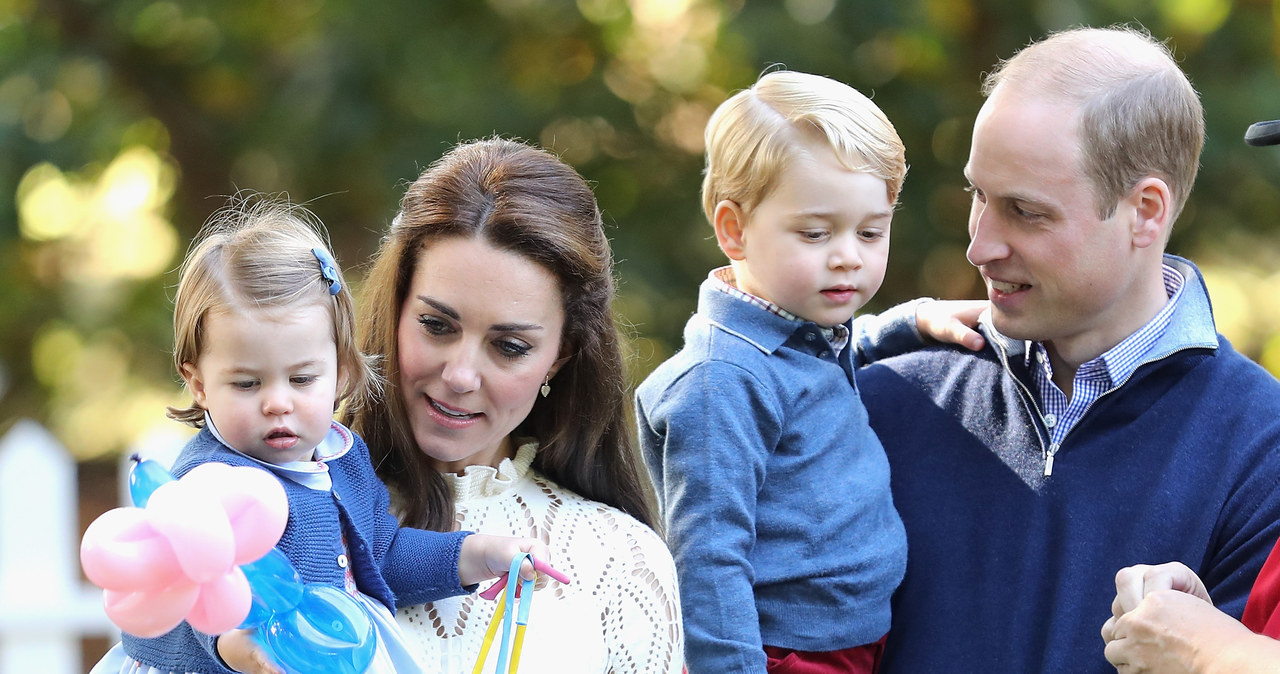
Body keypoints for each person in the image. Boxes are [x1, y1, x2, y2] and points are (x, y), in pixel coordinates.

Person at [854, 26, 1280, 673]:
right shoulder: (883, 399)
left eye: (1026, 211)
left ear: (1145, 211)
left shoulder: (1261, 446)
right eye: (979, 195)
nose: (980, 247)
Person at [92, 198, 552, 674]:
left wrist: (478, 554)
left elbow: (384, 553)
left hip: (332, 645)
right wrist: (235, 648)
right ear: (200, 383)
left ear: (341, 373)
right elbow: (194, 587)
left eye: (302, 379)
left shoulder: (342, 458)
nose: (278, 402)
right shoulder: (209, 481)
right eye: (247, 383)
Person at [634, 70, 984, 674]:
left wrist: (912, 321)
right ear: (733, 230)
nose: (849, 254)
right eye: (816, 232)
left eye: (871, 231)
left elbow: (831, 355)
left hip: (855, 639)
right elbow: (709, 557)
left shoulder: (798, 335)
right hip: (784, 654)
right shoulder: (722, 383)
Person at [342, 137, 684, 673]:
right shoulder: (295, 513)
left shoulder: (622, 558)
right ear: (395, 309)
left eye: (509, 347)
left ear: (558, 358)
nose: (459, 375)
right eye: (436, 325)